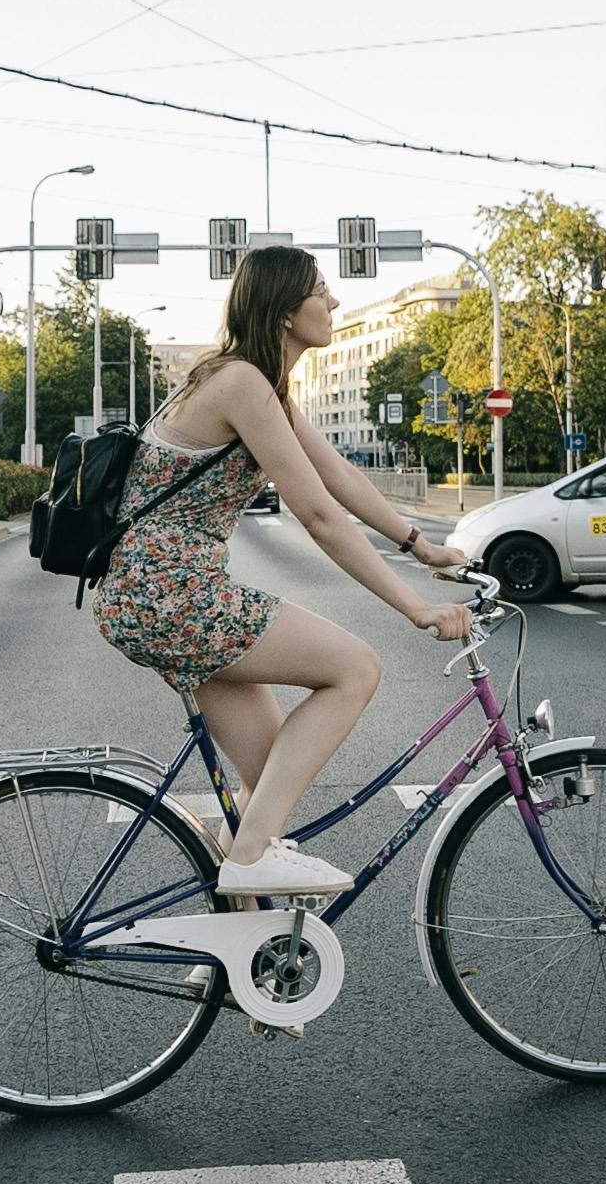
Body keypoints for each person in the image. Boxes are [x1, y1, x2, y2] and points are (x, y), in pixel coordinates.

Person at [94, 244, 476, 899]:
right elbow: (318, 514)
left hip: (151, 598)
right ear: (285, 313)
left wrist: (420, 544)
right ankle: (247, 862)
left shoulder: (252, 383)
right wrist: (411, 607)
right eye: (321, 292)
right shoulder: (241, 383)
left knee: (270, 777)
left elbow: (339, 477)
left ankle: (232, 955)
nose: (333, 303)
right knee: (356, 668)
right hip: (173, 597)